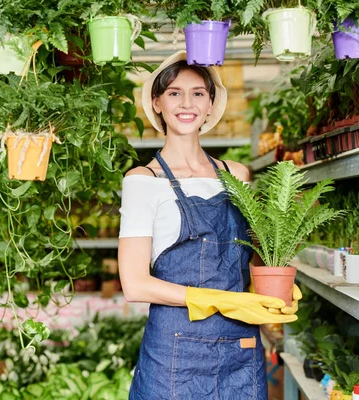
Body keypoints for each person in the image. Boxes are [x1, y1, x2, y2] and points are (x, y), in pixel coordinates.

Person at [118, 50, 300, 400]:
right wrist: (215, 300)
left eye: (198, 92)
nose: (187, 103)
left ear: (210, 102)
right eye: (174, 93)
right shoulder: (143, 181)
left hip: (239, 347)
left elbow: (250, 258)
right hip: (173, 355)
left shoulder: (236, 175)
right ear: (157, 102)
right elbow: (135, 284)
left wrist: (277, 283)